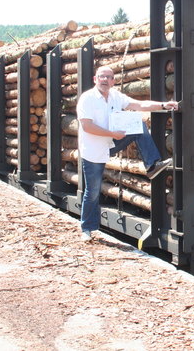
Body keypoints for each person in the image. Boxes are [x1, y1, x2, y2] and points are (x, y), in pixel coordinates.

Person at [76, 65, 178, 242]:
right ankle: (87, 228)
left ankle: (152, 165)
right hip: (93, 150)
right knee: (92, 191)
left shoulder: (115, 96)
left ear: (113, 80)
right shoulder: (87, 99)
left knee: (138, 125)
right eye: (102, 76)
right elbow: (87, 126)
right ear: (95, 79)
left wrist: (163, 105)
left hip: (110, 142)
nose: (105, 80)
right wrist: (113, 134)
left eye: (109, 77)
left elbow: (139, 104)